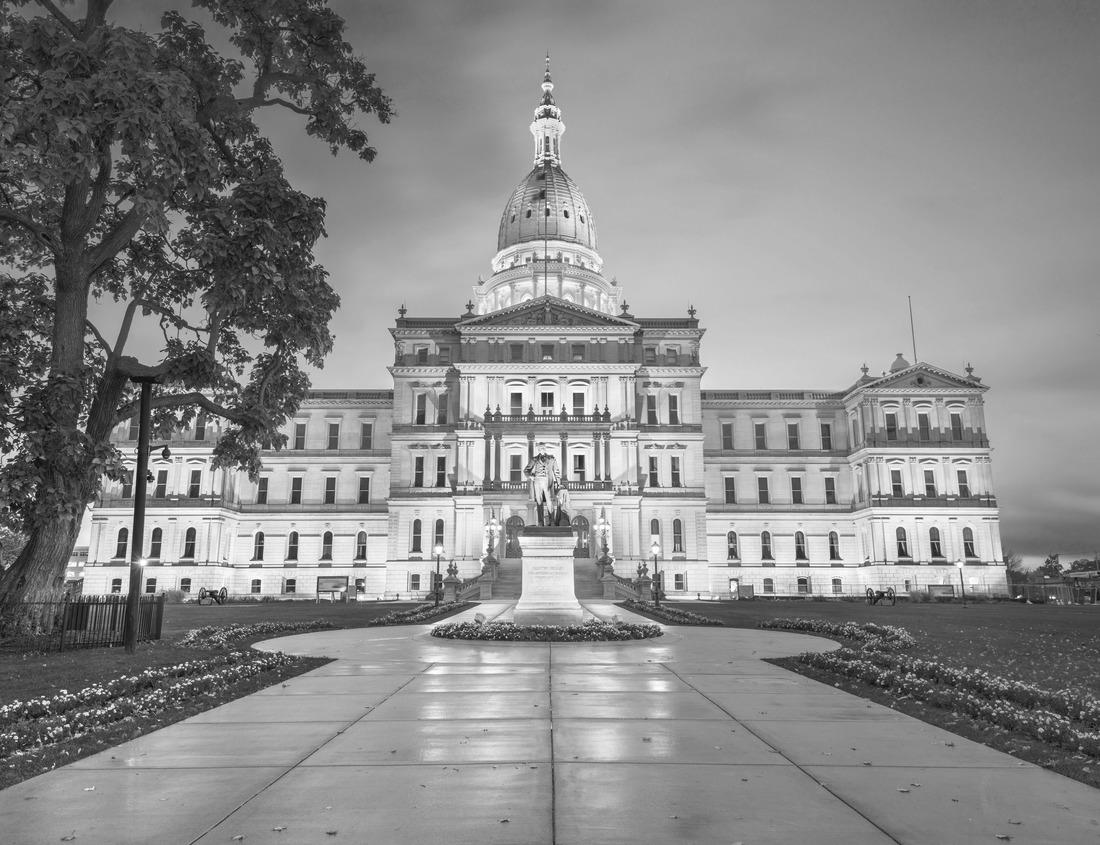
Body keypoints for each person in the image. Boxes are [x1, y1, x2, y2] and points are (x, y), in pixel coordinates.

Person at [523, 442, 559, 526]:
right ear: (538, 450)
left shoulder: (551, 459)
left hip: (547, 482)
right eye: (540, 448)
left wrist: (559, 483)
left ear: (545, 449)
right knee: (539, 502)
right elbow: (526, 470)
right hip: (537, 482)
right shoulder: (534, 459)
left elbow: (556, 472)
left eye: (543, 448)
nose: (541, 449)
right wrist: (530, 476)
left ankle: (552, 521)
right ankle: (540, 522)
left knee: (549, 501)